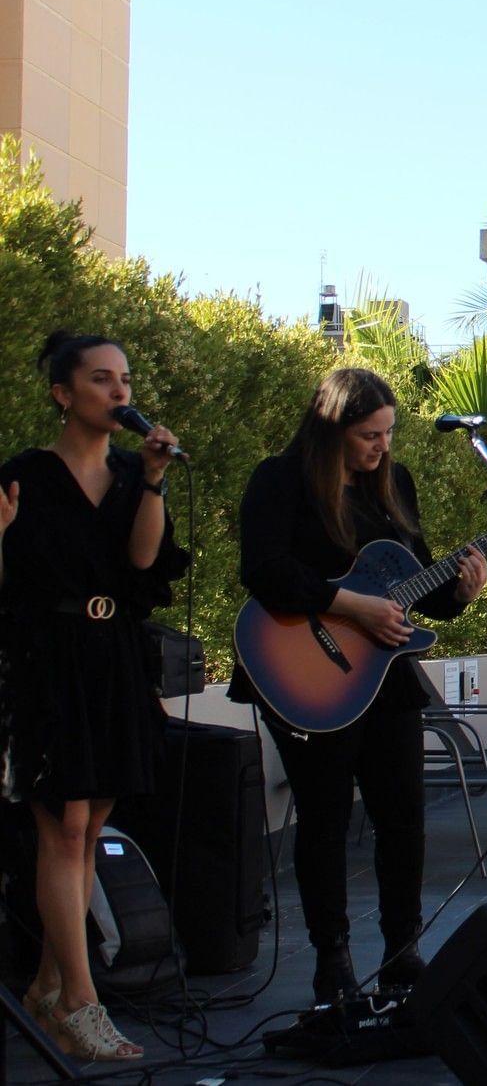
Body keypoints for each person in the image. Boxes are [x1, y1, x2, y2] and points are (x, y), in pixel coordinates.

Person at [229, 368, 487, 1005]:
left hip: (385, 674)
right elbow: (264, 572)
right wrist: (348, 605)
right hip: (306, 672)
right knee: (324, 817)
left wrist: (459, 590)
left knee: (403, 816)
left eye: (388, 434)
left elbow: (413, 590)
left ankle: (403, 952)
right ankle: (333, 960)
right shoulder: (280, 480)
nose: (380, 447)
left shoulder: (393, 484)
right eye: (369, 435)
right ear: (332, 428)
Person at [0, 332, 188, 1062]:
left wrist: (154, 481)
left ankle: (49, 985)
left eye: (126, 380)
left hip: (112, 656)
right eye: (102, 379)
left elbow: (142, 560)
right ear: (62, 392)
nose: (120, 392)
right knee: (65, 828)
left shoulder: (127, 470)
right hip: (47, 656)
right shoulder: (23, 476)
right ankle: (81, 1000)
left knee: (91, 823)